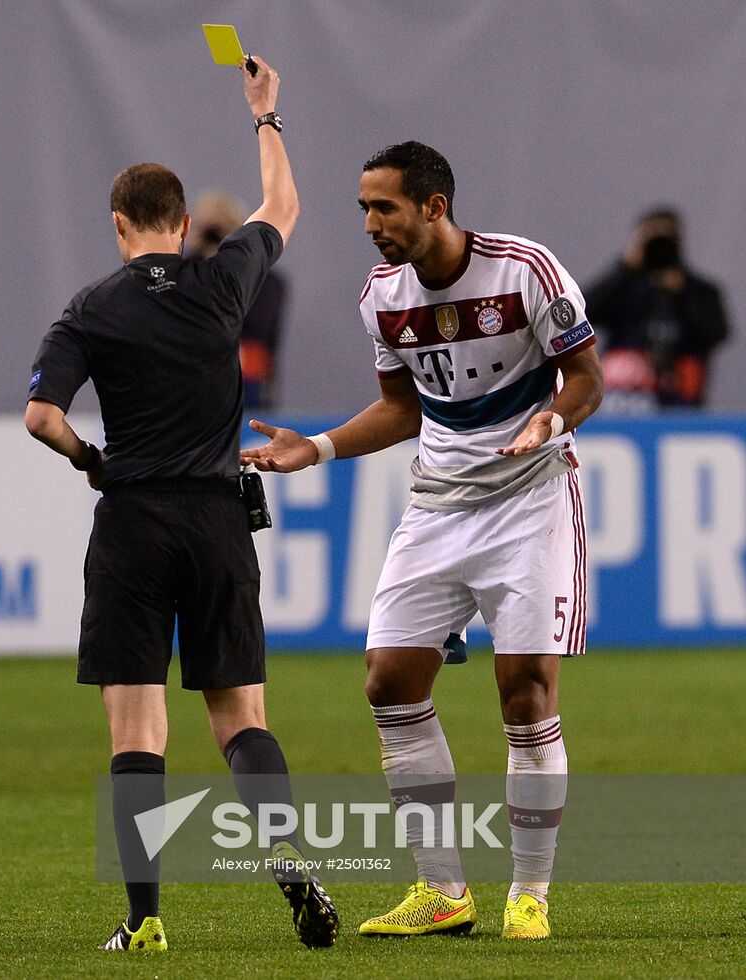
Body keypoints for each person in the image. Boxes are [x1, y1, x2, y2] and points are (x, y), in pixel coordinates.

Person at [242, 141, 602, 941]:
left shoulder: (526, 272)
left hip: (530, 501)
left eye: (385, 208)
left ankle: (529, 896)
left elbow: (587, 379)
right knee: (389, 684)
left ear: (433, 207)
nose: (371, 224)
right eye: (365, 209)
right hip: (438, 506)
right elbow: (402, 407)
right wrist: (321, 446)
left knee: (525, 694)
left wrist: (551, 418)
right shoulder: (383, 296)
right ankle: (444, 894)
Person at [25, 55, 337, 952]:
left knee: (137, 723)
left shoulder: (89, 309)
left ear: (120, 224)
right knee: (241, 718)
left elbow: (42, 417)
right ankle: (292, 865)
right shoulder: (221, 282)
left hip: (132, 522)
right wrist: (265, 116)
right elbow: (283, 209)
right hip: (215, 519)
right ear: (185, 223)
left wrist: (93, 459)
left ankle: (147, 917)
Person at [584, 207, 731, 409]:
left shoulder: (699, 290)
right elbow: (582, 314)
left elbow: (716, 333)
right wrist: (623, 269)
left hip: (682, 400)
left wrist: (682, 293)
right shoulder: (622, 288)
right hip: (621, 401)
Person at [188, 191, 289, 409]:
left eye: (220, 230)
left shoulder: (266, 279)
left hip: (246, 380)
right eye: (208, 231)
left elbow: (258, 326)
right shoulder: (185, 272)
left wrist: (228, 263)